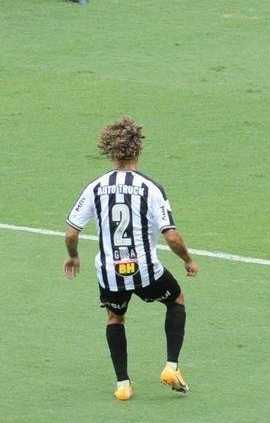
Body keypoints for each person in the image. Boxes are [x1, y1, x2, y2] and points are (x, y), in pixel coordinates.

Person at [64, 117, 198, 401]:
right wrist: (187, 259)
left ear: (111, 152)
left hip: (110, 272)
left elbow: (72, 233)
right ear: (138, 149)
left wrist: (74, 257)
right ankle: (171, 366)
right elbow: (171, 236)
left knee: (115, 316)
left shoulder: (96, 187)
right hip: (146, 270)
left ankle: (123, 384)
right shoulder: (151, 188)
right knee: (176, 300)